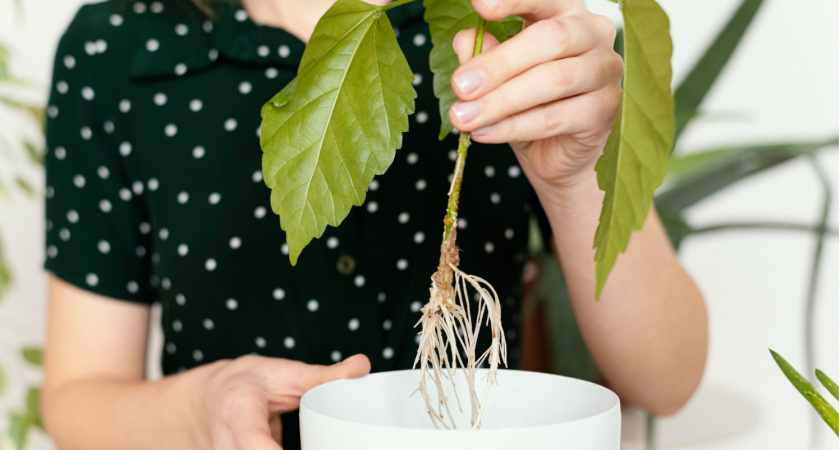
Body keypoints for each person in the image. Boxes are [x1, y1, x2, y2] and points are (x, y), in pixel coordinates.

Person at [40, 0, 708, 448]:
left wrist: (573, 178)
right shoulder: (119, 51)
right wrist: (203, 405)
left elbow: (666, 379)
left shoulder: (511, 33)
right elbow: (77, 399)